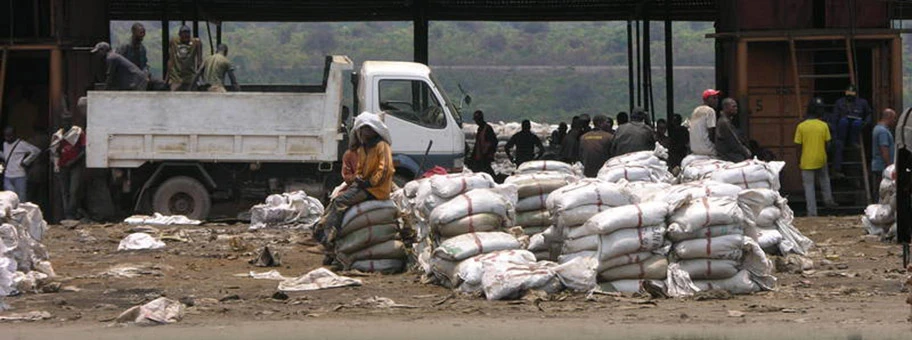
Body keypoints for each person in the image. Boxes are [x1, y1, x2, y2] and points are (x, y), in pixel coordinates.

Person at [314, 112, 394, 262]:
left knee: (340, 202)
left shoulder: (381, 146)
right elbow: (360, 169)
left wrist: (370, 182)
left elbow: (385, 169)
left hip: (376, 190)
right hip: (364, 186)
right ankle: (323, 233)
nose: (363, 133)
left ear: (373, 131)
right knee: (335, 201)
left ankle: (329, 239)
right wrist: (358, 178)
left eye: (366, 130)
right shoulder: (364, 149)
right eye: (361, 130)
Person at [795, 97, 838, 217]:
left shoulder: (801, 126)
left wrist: (798, 160)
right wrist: (824, 155)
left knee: (809, 187)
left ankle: (812, 212)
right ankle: (829, 201)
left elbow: (798, 146)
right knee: (825, 180)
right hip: (821, 159)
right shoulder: (824, 126)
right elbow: (828, 144)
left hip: (806, 161)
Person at [51, 108, 87, 220]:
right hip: (63, 166)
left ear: (71, 122)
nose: (65, 123)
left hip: (75, 165)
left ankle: (72, 212)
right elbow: (54, 152)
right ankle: (68, 215)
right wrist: (56, 164)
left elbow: (84, 149)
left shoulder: (77, 133)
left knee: (74, 190)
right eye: (64, 121)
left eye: (68, 121)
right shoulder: (57, 136)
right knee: (64, 191)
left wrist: (73, 161)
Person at [831, 84, 874, 178]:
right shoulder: (840, 102)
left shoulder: (862, 102)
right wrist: (834, 135)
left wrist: (865, 123)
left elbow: (869, 114)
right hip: (842, 130)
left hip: (856, 129)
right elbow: (834, 118)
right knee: (842, 124)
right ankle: (837, 169)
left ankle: (853, 142)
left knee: (857, 122)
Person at [1, 127, 40, 202]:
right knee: (9, 199)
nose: (7, 138)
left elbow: (36, 151)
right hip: (7, 176)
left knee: (21, 200)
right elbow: (7, 156)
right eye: (6, 135)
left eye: (9, 135)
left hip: (19, 176)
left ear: (14, 135)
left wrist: (26, 161)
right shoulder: (5, 144)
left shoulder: (22, 144)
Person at [715, 98, 752, 162]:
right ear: (726, 107)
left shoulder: (725, 121)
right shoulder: (724, 123)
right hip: (727, 155)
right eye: (733, 106)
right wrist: (746, 152)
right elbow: (734, 142)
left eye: (736, 106)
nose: (736, 108)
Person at [167, 25, 203, 91]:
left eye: (188, 34)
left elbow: (199, 61)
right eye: (184, 34)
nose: (186, 37)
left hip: (190, 76)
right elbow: (171, 60)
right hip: (176, 77)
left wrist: (198, 78)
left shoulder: (196, 42)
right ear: (179, 35)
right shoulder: (174, 42)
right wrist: (166, 79)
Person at [871, 108, 897, 195]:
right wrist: (890, 166)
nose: (894, 121)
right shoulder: (883, 132)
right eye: (894, 118)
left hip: (878, 165)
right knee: (884, 191)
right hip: (882, 166)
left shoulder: (877, 128)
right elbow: (884, 149)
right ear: (888, 117)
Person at [689, 89, 720, 156]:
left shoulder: (696, 110)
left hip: (695, 149)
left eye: (717, 98)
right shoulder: (710, 111)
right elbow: (711, 133)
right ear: (706, 99)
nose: (717, 100)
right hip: (707, 149)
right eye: (714, 98)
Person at [469, 110, 497, 176]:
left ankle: (495, 180)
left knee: (487, 171)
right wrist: (472, 156)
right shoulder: (480, 129)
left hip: (485, 156)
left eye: (477, 120)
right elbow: (477, 143)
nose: (476, 122)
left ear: (480, 119)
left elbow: (494, 142)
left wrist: (489, 153)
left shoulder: (488, 129)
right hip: (479, 156)